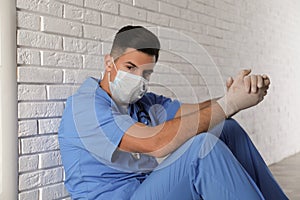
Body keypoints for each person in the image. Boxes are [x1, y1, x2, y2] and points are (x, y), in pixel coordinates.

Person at [58, 25, 288, 200]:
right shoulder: (85, 107)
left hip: (148, 189)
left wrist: (235, 95)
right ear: (109, 63)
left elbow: (198, 114)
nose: (138, 78)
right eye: (130, 67)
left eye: (146, 73)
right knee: (201, 149)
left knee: (226, 128)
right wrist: (230, 105)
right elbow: (156, 142)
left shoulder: (143, 102)